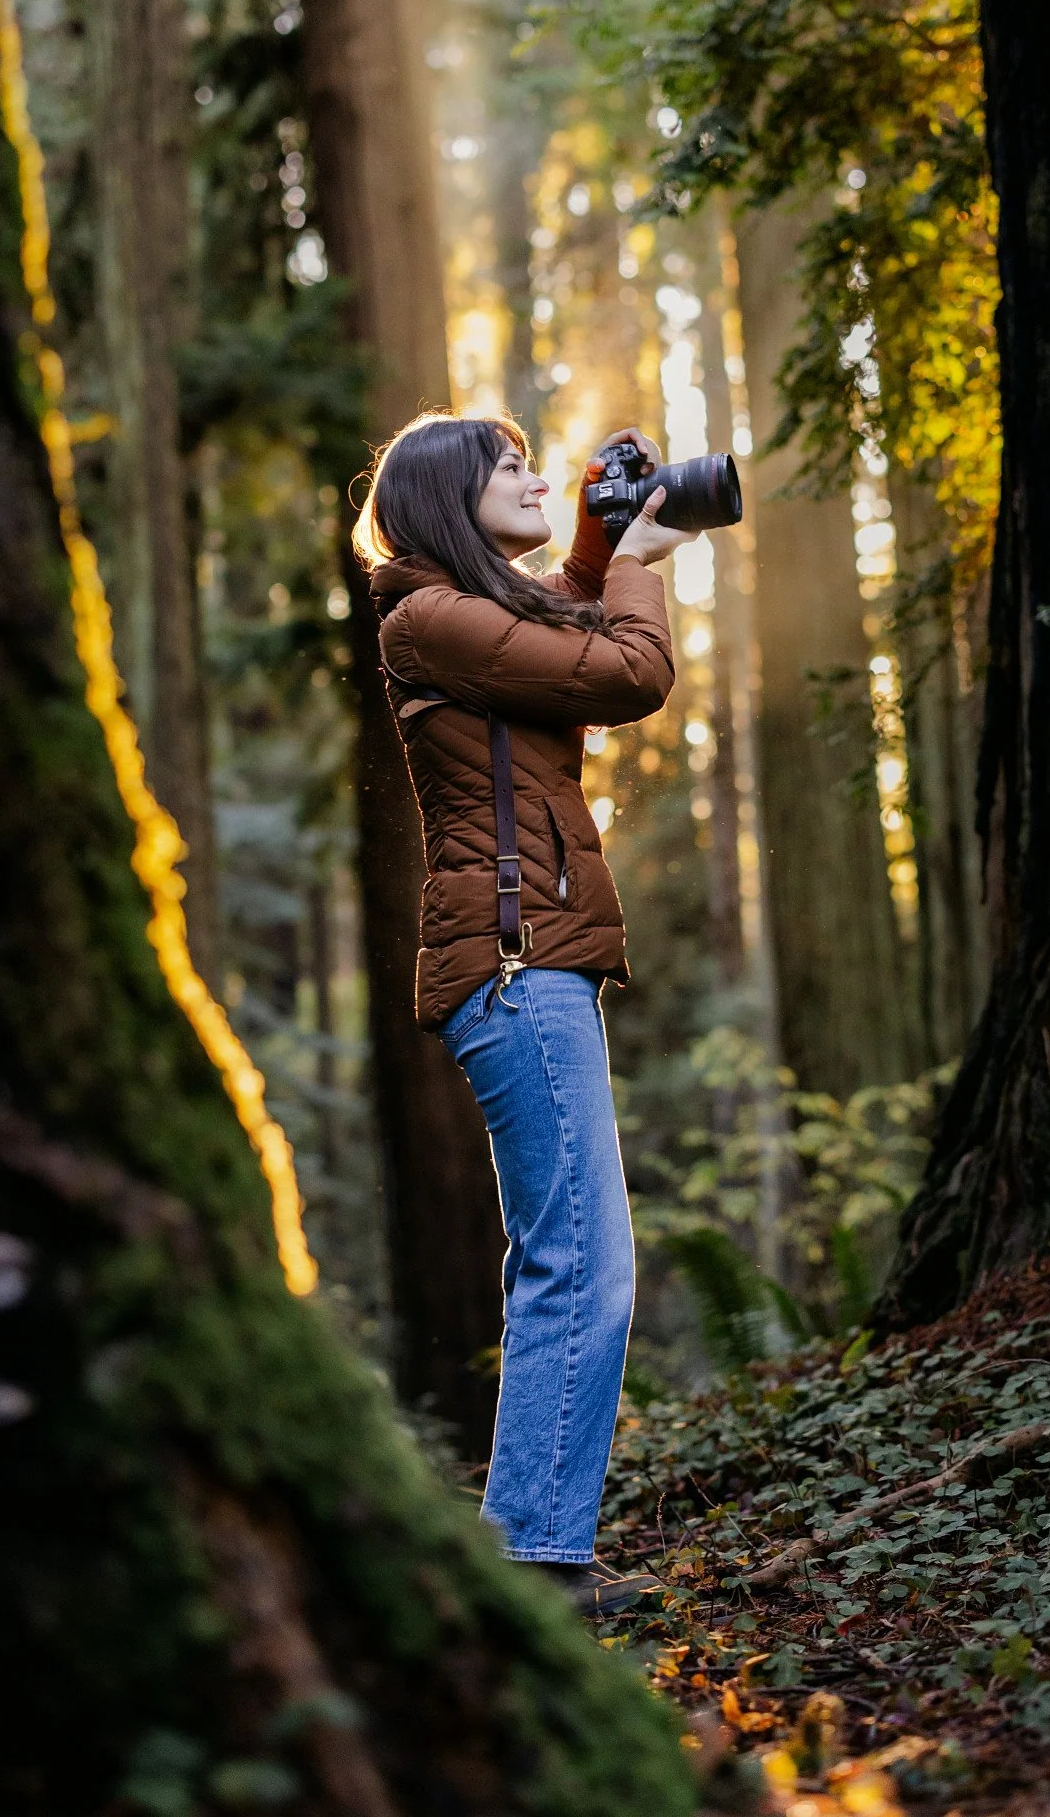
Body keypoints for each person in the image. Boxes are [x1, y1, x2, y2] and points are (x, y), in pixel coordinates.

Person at [354, 411, 687, 1615]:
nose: (539, 474)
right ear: (449, 498)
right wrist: (638, 565)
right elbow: (622, 671)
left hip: (532, 962)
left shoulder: (465, 617)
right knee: (579, 1262)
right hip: (515, 967)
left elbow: (556, 622)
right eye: (510, 465)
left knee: (573, 1256)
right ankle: (536, 1565)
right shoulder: (427, 618)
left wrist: (602, 547)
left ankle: (534, 1548)